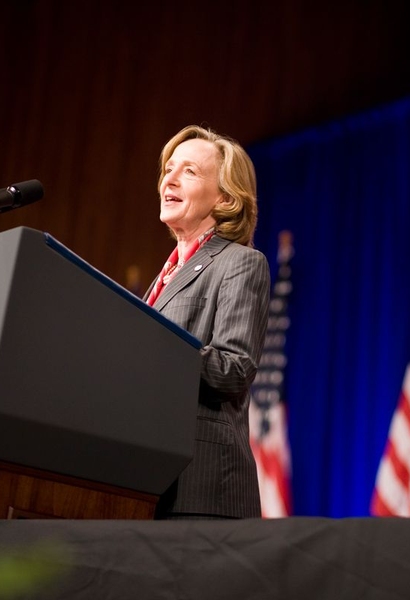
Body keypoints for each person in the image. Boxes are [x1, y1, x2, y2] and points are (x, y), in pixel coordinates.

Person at [144, 124, 270, 520]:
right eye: (169, 169)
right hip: (150, 478)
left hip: (203, 488)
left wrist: (147, 342)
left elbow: (234, 368)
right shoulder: (164, 277)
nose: (171, 179)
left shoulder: (241, 262)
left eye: (190, 172)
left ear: (226, 198)